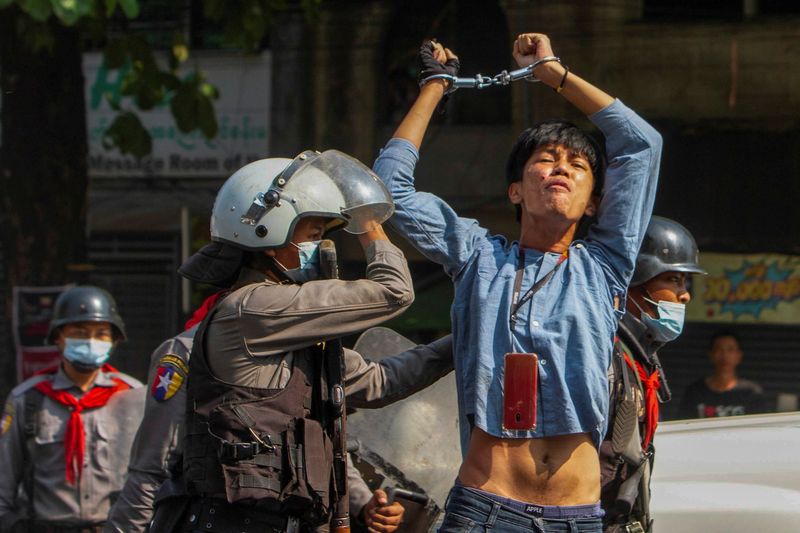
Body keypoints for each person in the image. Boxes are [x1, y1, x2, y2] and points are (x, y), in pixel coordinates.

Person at [373, 34, 662, 532]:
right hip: (486, 510)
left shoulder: (605, 266)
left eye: (577, 166)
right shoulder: (477, 256)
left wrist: (554, 75)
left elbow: (641, 143)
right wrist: (436, 87)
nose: (562, 170)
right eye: (546, 160)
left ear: (595, 202)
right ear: (516, 189)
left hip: (579, 518)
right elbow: (390, 187)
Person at [173, 150, 454, 533]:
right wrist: (370, 224)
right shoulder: (254, 308)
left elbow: (379, 382)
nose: (324, 249)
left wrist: (464, 338)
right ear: (269, 236)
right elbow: (393, 291)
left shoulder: (294, 328)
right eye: (315, 234)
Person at [105, 288, 417, 533]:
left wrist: (364, 505)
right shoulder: (188, 351)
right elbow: (150, 470)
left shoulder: (308, 354)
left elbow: (322, 447)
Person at [0, 286, 143, 532]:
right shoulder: (28, 399)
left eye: (101, 334)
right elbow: (3, 481)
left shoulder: (134, 396)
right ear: (58, 337)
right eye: (79, 332)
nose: (91, 341)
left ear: (114, 341)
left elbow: (152, 473)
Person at [600, 216, 705, 533]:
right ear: (634, 282)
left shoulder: (641, 359)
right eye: (673, 280)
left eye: (685, 283)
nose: (685, 294)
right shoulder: (604, 358)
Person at [677, 331, 766, 419]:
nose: (725, 355)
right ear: (711, 354)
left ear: (739, 355)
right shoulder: (694, 392)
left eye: (730, 349)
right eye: (719, 349)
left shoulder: (752, 392)